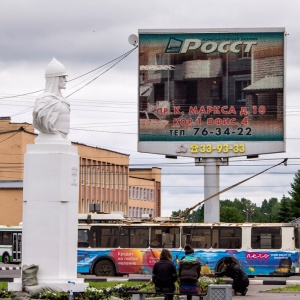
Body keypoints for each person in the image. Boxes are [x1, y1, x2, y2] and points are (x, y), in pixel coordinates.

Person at [33, 57, 70, 138]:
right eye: (63, 77)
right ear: (55, 78)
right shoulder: (45, 100)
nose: (66, 80)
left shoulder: (63, 101)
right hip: (51, 139)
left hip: (62, 140)